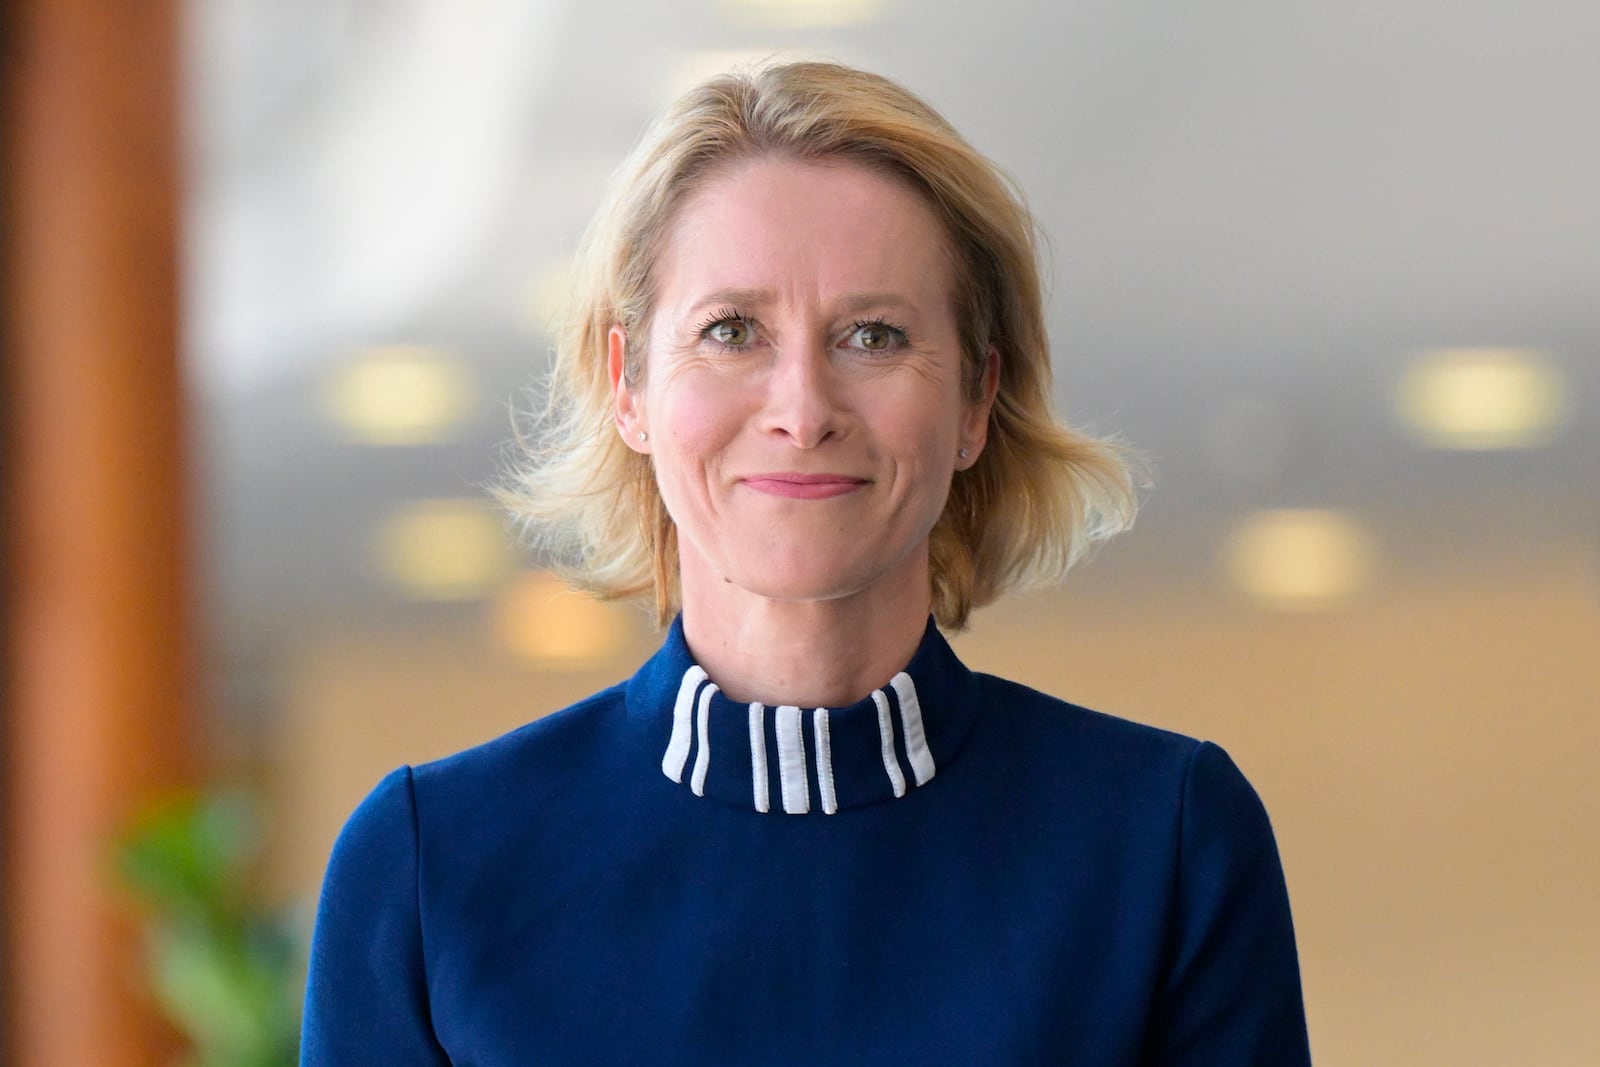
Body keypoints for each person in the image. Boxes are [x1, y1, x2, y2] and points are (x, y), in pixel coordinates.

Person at [301, 61, 1311, 1065]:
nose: (802, 407)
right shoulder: (430, 868)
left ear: (972, 399)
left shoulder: (1161, 840)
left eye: (873, 334)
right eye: (730, 331)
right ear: (630, 386)